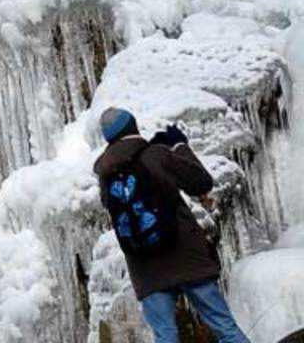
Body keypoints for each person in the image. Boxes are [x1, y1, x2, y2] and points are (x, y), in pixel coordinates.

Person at [93, 107, 250, 343]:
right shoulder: (156, 155)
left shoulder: (105, 174)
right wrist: (178, 147)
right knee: (224, 328)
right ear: (133, 127)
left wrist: (155, 148)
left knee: (165, 336)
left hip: (146, 269)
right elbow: (200, 182)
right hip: (186, 257)